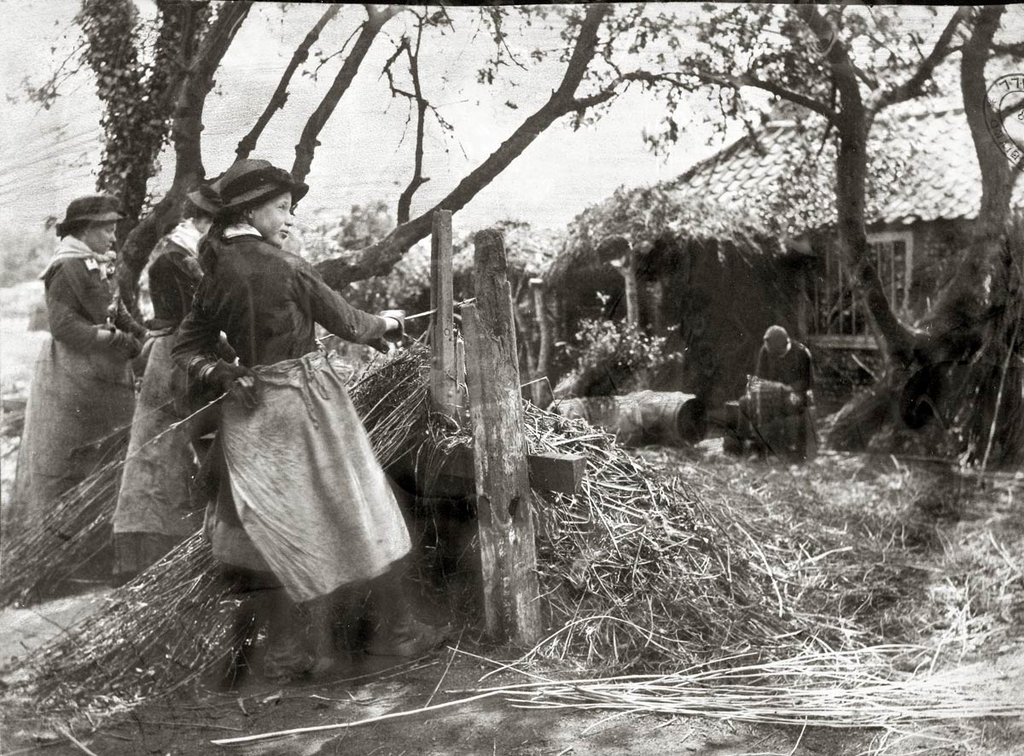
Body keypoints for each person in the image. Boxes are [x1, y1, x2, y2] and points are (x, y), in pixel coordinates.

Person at [172, 159, 447, 683]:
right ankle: (398, 633)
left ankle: (288, 651)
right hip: (307, 408)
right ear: (250, 210)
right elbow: (351, 324)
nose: (291, 217)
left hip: (253, 421)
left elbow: (188, 347)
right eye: (282, 207)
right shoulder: (287, 266)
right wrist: (388, 321)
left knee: (278, 529)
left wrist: (221, 369)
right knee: (358, 511)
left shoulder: (215, 268)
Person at [8, 195, 147, 540]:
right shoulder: (65, 267)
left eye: (114, 230)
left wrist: (142, 334)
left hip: (104, 375)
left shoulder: (99, 262)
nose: (113, 238)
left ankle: (97, 542)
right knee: (69, 458)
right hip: (73, 376)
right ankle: (55, 547)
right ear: (85, 230)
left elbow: (117, 311)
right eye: (107, 230)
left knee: (108, 455)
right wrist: (113, 340)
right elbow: (64, 328)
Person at [110, 184, 221, 582]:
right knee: (162, 455)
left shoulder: (185, 253)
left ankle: (163, 557)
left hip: (177, 355)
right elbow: (198, 316)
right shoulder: (177, 258)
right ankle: (150, 562)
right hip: (175, 359)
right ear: (204, 221)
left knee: (167, 453)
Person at [749, 324, 816, 461]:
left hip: (796, 394)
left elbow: (808, 382)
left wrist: (786, 389)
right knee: (750, 401)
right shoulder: (766, 351)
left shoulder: (802, 353)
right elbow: (759, 377)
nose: (770, 354)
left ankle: (781, 449)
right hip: (771, 392)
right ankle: (758, 448)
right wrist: (756, 388)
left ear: (784, 345)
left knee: (787, 403)